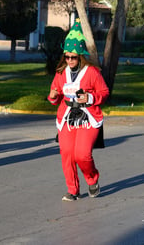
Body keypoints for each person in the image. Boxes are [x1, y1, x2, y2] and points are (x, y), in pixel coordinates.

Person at [48, 19, 109, 201]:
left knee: (82, 154)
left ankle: (92, 180)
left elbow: (104, 92)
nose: (69, 60)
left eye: (73, 57)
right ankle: (73, 190)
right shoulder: (60, 73)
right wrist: (52, 96)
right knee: (67, 154)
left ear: (80, 56)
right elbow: (55, 96)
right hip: (66, 117)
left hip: (88, 117)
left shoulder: (91, 72)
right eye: (66, 57)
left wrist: (90, 98)